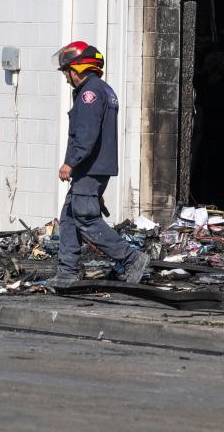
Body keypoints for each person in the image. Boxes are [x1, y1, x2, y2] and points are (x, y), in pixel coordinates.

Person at [48, 41, 151, 288]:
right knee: (70, 217)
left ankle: (132, 258)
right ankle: (67, 273)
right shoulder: (104, 90)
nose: (66, 77)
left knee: (86, 218)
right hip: (94, 168)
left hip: (88, 167)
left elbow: (86, 134)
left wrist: (69, 163)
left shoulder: (89, 93)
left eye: (67, 71)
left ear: (79, 69)